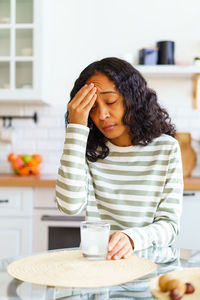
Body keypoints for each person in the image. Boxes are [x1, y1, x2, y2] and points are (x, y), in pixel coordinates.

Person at [56, 57, 183, 260]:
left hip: (147, 268)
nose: (102, 115)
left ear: (133, 98)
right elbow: (69, 206)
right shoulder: (89, 150)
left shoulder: (165, 149)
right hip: (97, 266)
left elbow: (169, 225)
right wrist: (76, 128)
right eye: (93, 108)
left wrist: (131, 239)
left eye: (110, 101)